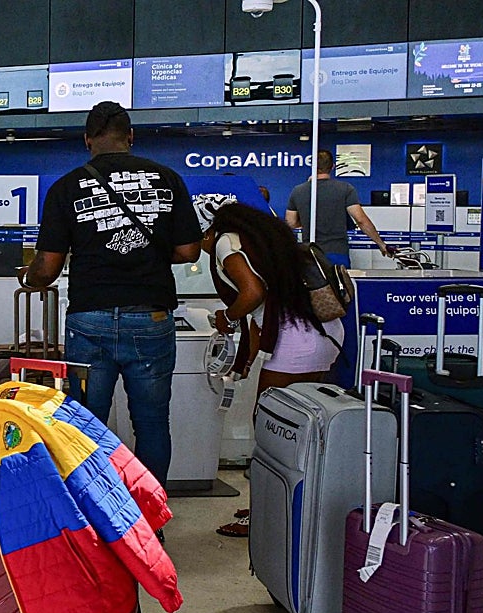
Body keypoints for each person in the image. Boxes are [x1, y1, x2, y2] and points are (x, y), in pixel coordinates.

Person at [22, 101, 202, 489]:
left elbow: (48, 268)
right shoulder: (168, 179)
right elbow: (190, 251)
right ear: (131, 137)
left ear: (87, 140)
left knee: (84, 424)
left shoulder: (65, 188)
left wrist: (30, 278)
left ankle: (95, 521)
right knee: (152, 422)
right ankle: (149, 523)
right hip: (150, 317)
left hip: (90, 320)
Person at [204, 201, 344, 537]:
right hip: (324, 335)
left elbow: (253, 294)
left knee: (271, 428)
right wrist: (245, 364)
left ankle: (263, 517)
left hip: (294, 343)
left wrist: (226, 317)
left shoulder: (226, 242)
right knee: (304, 427)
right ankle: (291, 503)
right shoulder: (264, 241)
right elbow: (261, 315)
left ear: (207, 230)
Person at [286, 150, 392, 387]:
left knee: (310, 314)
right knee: (342, 315)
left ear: (313, 166)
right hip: (336, 259)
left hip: (309, 259)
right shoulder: (345, 189)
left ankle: (311, 373)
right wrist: (381, 244)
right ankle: (344, 377)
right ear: (332, 166)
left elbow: (291, 223)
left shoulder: (298, 191)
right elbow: (361, 220)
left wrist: (309, 217)